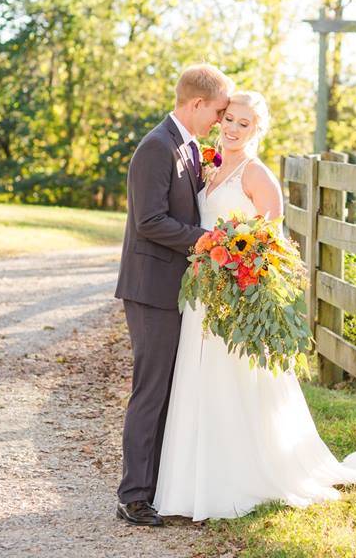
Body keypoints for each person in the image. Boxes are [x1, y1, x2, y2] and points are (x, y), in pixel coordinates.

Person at [153, 91, 356, 521]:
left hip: (238, 294)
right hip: (204, 291)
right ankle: (192, 479)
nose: (233, 129)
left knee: (237, 379)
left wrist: (240, 266)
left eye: (244, 124)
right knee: (198, 376)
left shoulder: (256, 174)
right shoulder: (211, 166)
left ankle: (244, 474)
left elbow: (272, 240)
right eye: (229, 119)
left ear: (257, 130)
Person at [113, 64, 233, 526]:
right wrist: (208, 241)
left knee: (168, 387)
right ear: (196, 104)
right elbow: (149, 221)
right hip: (150, 289)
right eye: (219, 111)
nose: (220, 121)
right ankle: (134, 496)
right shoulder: (156, 147)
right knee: (151, 390)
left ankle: (158, 486)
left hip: (171, 288)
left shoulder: (185, 146)